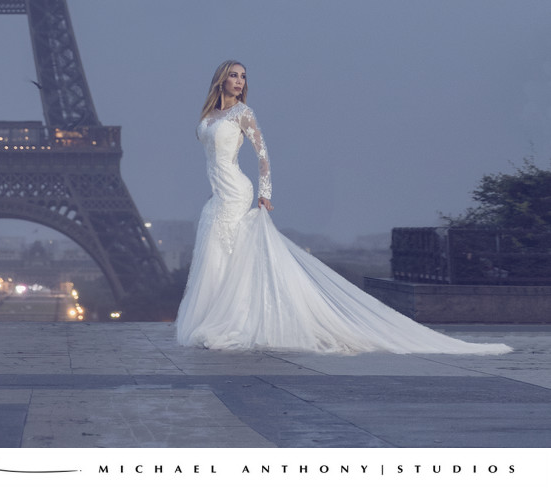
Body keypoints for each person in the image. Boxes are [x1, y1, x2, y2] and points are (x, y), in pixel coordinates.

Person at [175, 60, 512, 355]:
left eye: (244, 77)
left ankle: (231, 321)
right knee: (219, 260)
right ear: (221, 79)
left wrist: (264, 193)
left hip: (236, 192)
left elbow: (263, 155)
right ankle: (217, 318)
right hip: (217, 198)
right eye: (234, 75)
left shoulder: (243, 113)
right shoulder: (209, 115)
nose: (240, 81)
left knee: (235, 258)